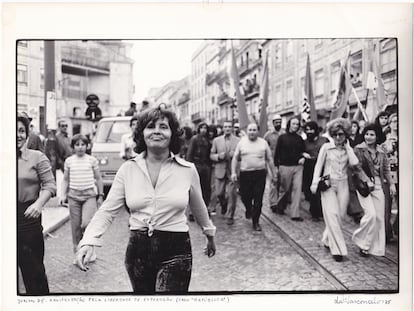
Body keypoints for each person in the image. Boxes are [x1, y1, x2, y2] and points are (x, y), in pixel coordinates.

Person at [75, 107, 216, 293]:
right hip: (138, 251)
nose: (157, 131)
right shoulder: (127, 169)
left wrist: (210, 235)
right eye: (150, 126)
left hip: (176, 249)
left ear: (172, 134)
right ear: (142, 133)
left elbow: (199, 209)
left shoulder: (187, 170)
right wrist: (89, 240)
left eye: (163, 127)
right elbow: (107, 210)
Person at [310, 118, 368, 262]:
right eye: (335, 134)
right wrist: (314, 183)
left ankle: (326, 239)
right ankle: (338, 250)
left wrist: (348, 148)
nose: (337, 137)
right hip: (328, 184)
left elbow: (355, 164)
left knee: (340, 216)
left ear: (346, 135)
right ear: (331, 134)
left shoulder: (348, 150)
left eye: (341, 134)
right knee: (332, 214)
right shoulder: (326, 148)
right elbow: (318, 166)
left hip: (343, 185)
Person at [17, 114, 56, 294]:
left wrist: (39, 204)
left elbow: (50, 185)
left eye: (21, 131)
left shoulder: (37, 157)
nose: (18, 135)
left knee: (34, 275)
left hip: (27, 218)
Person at [352, 124, 396, 257]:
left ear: (377, 136)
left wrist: (392, 184)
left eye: (372, 134)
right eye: (366, 134)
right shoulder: (358, 149)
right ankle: (360, 240)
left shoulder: (381, 151)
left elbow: (386, 170)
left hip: (378, 185)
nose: (368, 137)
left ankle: (371, 247)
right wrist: (367, 180)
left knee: (379, 218)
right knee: (370, 215)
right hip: (363, 186)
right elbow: (356, 168)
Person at [61, 134, 104, 263]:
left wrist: (100, 196)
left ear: (87, 146)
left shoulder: (92, 160)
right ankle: (78, 253)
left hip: (89, 196)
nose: (80, 147)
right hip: (73, 196)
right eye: (77, 145)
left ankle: (90, 250)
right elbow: (65, 179)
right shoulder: (69, 161)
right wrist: (62, 195)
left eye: (83, 144)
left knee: (86, 223)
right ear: (73, 147)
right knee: (75, 227)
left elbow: (98, 178)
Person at [231, 123, 276, 231]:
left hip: (259, 174)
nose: (252, 132)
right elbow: (235, 158)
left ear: (258, 131)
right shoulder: (242, 143)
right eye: (250, 130)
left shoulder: (263, 143)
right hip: (245, 174)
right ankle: (248, 208)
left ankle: (256, 222)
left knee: (258, 198)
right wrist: (233, 172)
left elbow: (269, 159)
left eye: (254, 130)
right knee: (245, 196)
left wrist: (273, 174)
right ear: (247, 131)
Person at [273, 117, 309, 221]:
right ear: (289, 124)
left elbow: (303, 151)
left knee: (297, 190)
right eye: (293, 124)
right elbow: (277, 153)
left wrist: (302, 157)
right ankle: (280, 205)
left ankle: (295, 214)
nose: (295, 126)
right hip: (284, 166)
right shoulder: (282, 137)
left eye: (297, 124)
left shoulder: (299, 139)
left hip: (298, 167)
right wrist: (276, 167)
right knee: (285, 189)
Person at [210, 121, 240, 224]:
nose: (227, 128)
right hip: (220, 169)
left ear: (232, 128)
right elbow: (211, 155)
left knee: (232, 194)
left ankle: (230, 216)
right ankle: (223, 204)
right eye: (225, 127)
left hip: (232, 170)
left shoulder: (238, 140)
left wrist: (235, 154)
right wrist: (218, 156)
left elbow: (241, 155)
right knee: (219, 193)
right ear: (223, 128)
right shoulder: (216, 140)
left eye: (229, 127)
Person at [303, 121, 328, 222]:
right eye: (307, 130)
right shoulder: (304, 142)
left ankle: (323, 210)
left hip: (322, 166)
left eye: (311, 129)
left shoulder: (324, 140)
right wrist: (303, 154)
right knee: (312, 190)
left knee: (322, 188)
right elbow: (300, 151)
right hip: (309, 166)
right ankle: (314, 213)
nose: (309, 132)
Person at [186, 122, 212, 208]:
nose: (203, 130)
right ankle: (193, 210)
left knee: (206, 189)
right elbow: (189, 154)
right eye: (202, 128)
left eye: (205, 128)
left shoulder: (208, 140)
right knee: (195, 189)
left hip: (206, 167)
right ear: (199, 129)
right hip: (197, 165)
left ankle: (204, 207)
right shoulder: (194, 139)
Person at [381, 113, 398, 240]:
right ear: (390, 124)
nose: (396, 123)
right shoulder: (384, 142)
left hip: (402, 176)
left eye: (398, 121)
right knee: (387, 205)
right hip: (389, 176)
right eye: (394, 121)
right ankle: (386, 233)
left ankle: (398, 227)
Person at [264, 114, 283, 211]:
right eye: (276, 122)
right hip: (271, 161)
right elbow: (264, 148)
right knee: (273, 181)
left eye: (280, 122)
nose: (278, 124)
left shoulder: (284, 133)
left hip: (283, 161)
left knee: (282, 182)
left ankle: (281, 201)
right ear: (273, 123)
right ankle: (273, 203)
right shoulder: (268, 135)